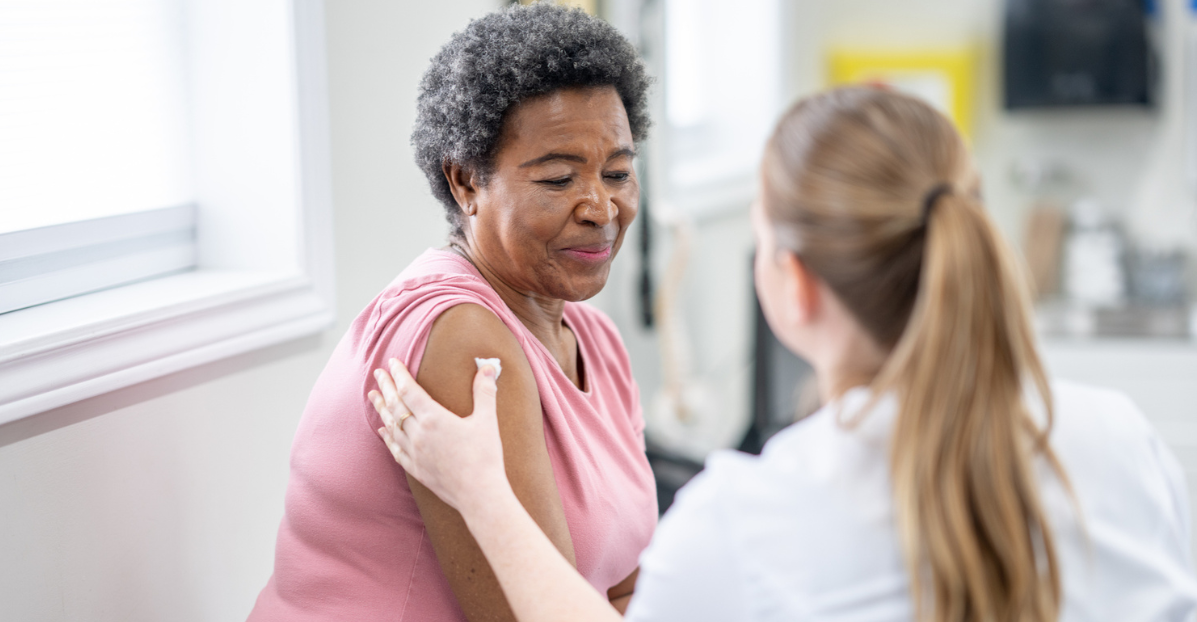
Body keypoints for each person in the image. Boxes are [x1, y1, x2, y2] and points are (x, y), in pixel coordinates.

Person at [369, 86, 1197, 621]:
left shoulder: (750, 522)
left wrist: (480, 489)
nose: (599, 207)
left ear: (792, 287)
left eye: (619, 171)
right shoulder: (1120, 438)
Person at [248, 4, 658, 621]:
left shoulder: (595, 339)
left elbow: (625, 586)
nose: (601, 207)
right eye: (557, 180)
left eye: (618, 173)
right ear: (466, 182)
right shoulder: (462, 337)